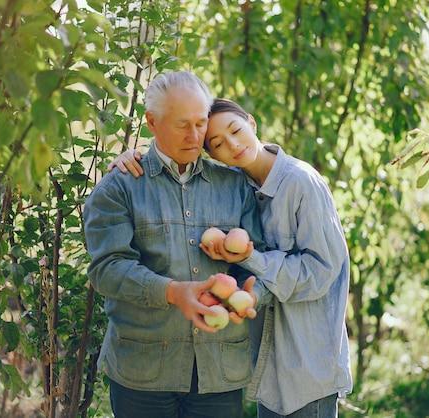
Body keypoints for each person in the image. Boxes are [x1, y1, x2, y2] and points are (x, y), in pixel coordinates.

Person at [110, 98, 353, 417]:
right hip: (269, 366)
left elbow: (321, 272)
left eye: (236, 131)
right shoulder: (238, 189)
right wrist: (138, 155)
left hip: (306, 364)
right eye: (218, 143)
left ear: (252, 123)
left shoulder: (300, 183)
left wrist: (251, 256)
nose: (233, 145)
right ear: (210, 154)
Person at [83, 73, 270, 418]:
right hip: (143, 374)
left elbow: (262, 261)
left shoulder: (234, 186)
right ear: (151, 121)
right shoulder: (119, 187)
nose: (195, 135)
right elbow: (106, 270)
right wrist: (173, 292)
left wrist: (252, 292)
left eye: (201, 123)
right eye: (182, 124)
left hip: (220, 370)